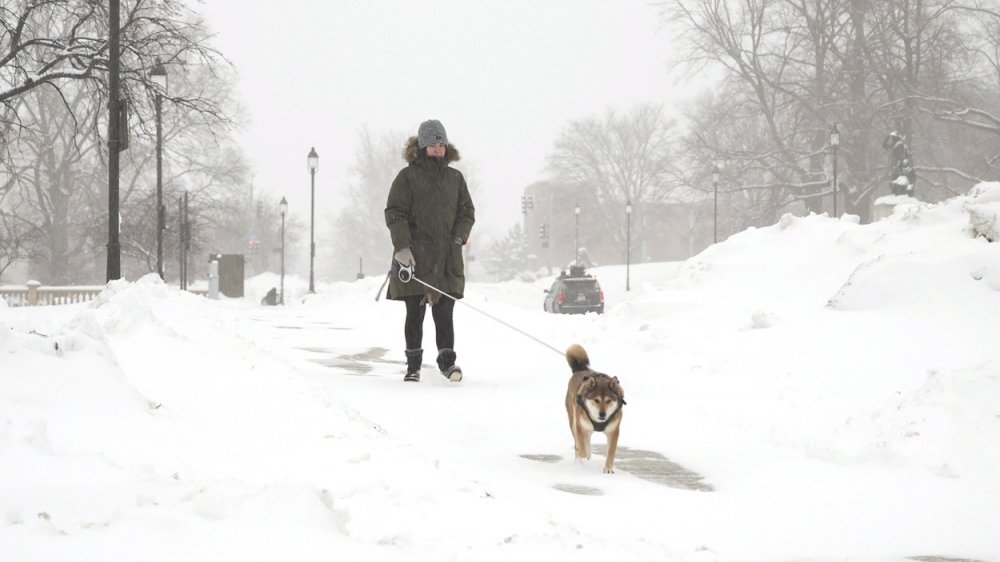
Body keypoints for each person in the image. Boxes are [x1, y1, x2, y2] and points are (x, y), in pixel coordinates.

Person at [384, 119, 475, 383]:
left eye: (441, 144)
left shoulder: (455, 179)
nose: (438, 149)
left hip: (447, 258)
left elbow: (467, 211)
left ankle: (448, 362)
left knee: (445, 314)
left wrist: (458, 237)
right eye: (433, 144)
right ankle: (413, 365)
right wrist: (402, 247)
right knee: (415, 313)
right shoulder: (407, 178)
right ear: (422, 147)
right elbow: (395, 212)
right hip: (414, 257)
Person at [882, 131, 916, 196]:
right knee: (896, 184)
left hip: (898, 168)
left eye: (893, 138)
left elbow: (902, 156)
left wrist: (888, 136)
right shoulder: (897, 145)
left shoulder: (899, 145)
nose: (891, 140)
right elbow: (884, 146)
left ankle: (900, 194)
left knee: (897, 184)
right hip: (897, 168)